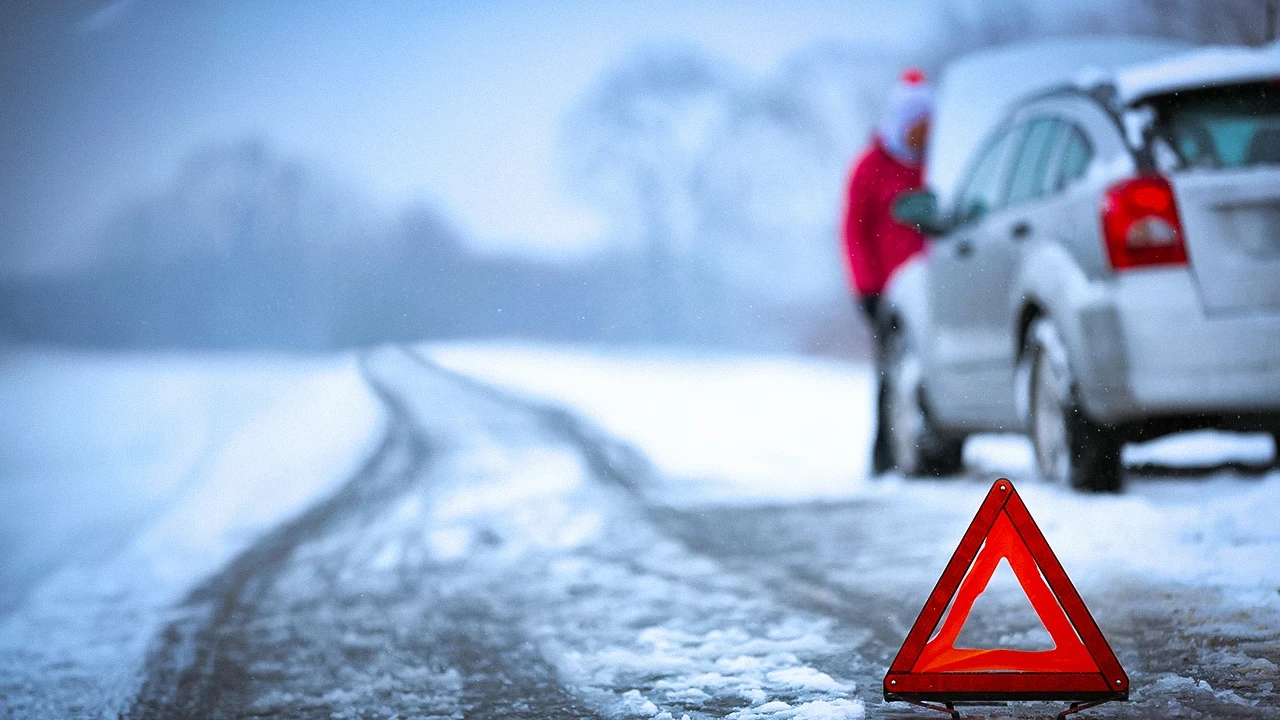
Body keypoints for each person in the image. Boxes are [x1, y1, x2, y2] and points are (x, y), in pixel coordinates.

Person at [839, 68, 934, 472]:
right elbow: (854, 233)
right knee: (891, 371)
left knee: (929, 365)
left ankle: (931, 448)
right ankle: (886, 455)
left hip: (933, 286)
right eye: (918, 126)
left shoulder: (936, 162)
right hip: (889, 292)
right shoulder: (870, 167)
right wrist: (867, 290)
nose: (923, 135)